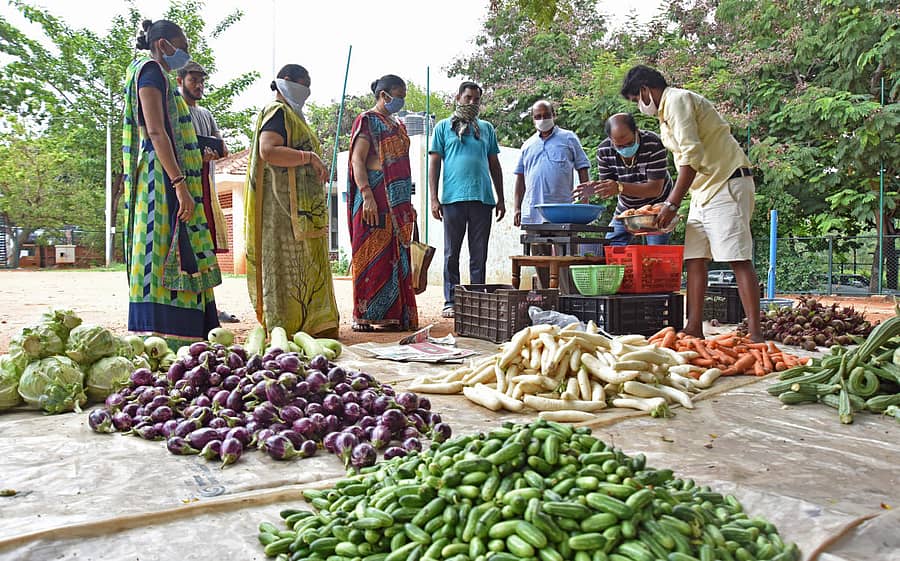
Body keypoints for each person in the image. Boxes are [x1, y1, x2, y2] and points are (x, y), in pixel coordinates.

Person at [620, 65, 761, 341]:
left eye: (637, 99)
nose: (639, 106)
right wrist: (670, 205)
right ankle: (694, 327)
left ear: (646, 90)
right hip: (703, 191)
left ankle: (756, 334)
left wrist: (671, 204)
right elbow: (686, 162)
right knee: (695, 258)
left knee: (736, 258)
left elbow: (692, 155)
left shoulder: (677, 100)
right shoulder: (664, 115)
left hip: (726, 183)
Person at [122, 19, 221, 348]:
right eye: (182, 45)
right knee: (163, 249)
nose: (185, 53)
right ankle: (163, 334)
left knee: (180, 249)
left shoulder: (157, 73)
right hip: (162, 180)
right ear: (163, 44)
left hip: (170, 175)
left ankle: (190, 330)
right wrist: (179, 183)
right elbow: (155, 131)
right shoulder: (150, 72)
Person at [244, 64, 339, 337]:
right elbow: (268, 150)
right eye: (303, 83)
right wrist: (309, 157)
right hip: (283, 210)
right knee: (287, 265)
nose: (306, 90)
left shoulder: (294, 115)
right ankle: (285, 327)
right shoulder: (277, 112)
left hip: (304, 211)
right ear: (285, 81)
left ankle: (314, 325)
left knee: (307, 265)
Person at [347, 75, 418, 332]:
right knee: (371, 255)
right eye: (398, 94)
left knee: (394, 257)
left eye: (404, 95)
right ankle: (365, 315)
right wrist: (366, 194)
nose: (401, 100)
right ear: (383, 94)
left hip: (397, 201)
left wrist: (407, 204)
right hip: (374, 195)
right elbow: (358, 160)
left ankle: (394, 315)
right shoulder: (367, 121)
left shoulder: (398, 124)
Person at [428, 81, 505, 318]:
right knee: (452, 252)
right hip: (453, 199)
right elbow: (434, 162)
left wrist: (501, 198)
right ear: (458, 98)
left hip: (482, 199)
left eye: (476, 99)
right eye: (468, 98)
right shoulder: (443, 127)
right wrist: (434, 198)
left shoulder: (486, 128)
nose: (472, 103)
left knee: (479, 252)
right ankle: (451, 300)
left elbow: (494, 163)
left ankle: (477, 298)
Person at [176, 60, 238, 324]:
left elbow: (223, 148)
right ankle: (187, 304)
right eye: (193, 80)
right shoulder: (174, 109)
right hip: (183, 187)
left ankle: (210, 304)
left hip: (205, 185)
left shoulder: (206, 114)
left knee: (206, 247)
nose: (199, 85)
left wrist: (213, 153)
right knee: (184, 247)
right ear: (180, 81)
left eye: (202, 80)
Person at [514, 100, 590, 287]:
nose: (542, 119)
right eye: (537, 117)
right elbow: (520, 178)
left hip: (563, 210)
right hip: (533, 211)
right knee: (539, 257)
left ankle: (568, 297)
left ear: (553, 115)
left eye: (546, 115)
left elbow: (582, 167)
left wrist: (585, 198)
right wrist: (517, 208)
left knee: (567, 257)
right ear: (533, 119)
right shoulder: (527, 145)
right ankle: (548, 297)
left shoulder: (569, 138)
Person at [575, 113, 674, 246]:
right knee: (611, 245)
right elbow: (610, 187)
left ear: (636, 131)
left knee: (656, 252)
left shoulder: (654, 143)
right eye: (619, 146)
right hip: (627, 208)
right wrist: (597, 188)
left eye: (629, 143)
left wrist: (620, 187)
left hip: (656, 208)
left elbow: (655, 189)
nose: (625, 149)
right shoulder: (604, 150)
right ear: (610, 139)